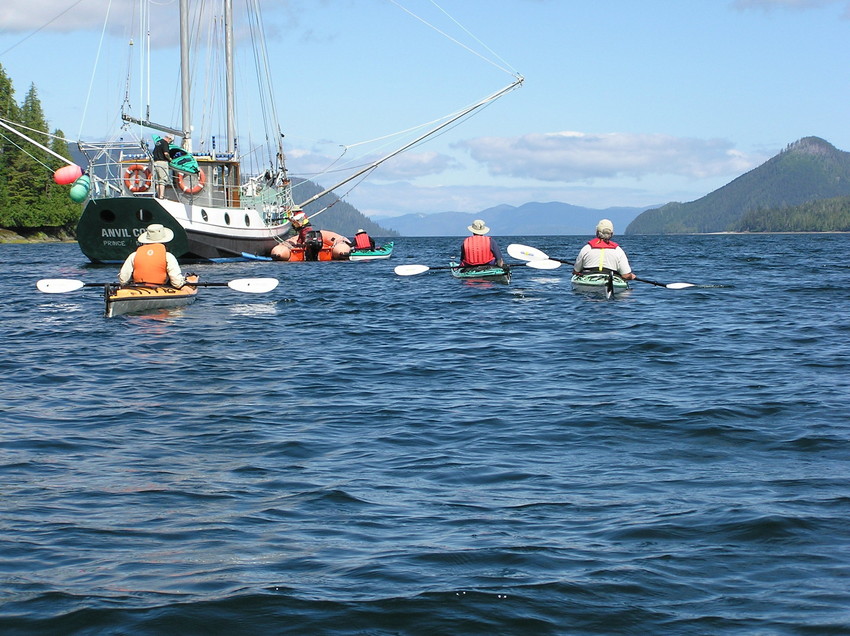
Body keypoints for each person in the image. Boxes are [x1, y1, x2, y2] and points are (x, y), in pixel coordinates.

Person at [118, 223, 185, 287]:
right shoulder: (168, 256)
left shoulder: (134, 255)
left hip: (137, 289)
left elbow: (123, 279)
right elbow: (177, 282)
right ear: (165, 241)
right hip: (161, 289)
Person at [572, 219, 636, 280]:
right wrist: (631, 276)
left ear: (597, 232)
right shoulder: (618, 251)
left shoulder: (586, 249)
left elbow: (575, 271)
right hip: (610, 281)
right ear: (611, 234)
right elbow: (626, 275)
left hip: (588, 281)